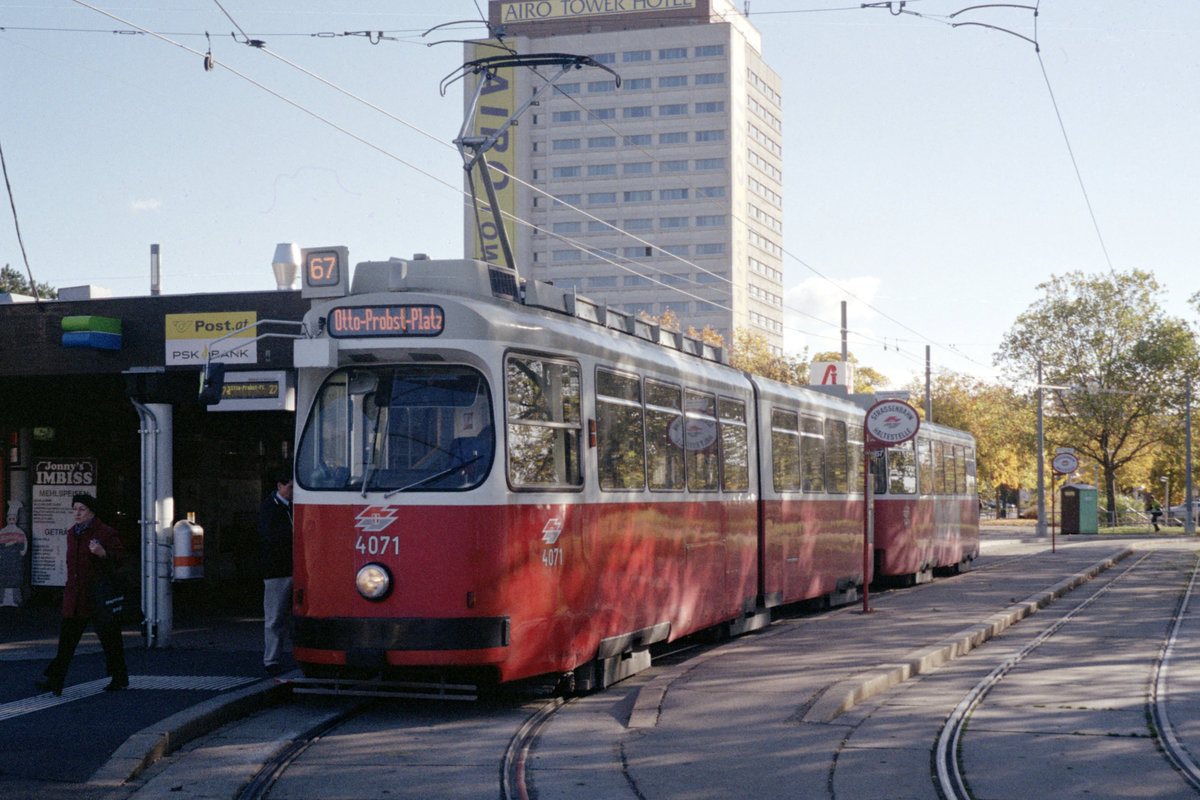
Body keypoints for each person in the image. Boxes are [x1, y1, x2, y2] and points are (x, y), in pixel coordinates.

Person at [38, 493, 128, 695]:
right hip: (75, 596)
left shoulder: (105, 532)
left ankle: (119, 677)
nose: (77, 513)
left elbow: (120, 558)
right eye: (75, 509)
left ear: (91, 512)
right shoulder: (72, 533)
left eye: (82, 509)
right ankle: (56, 680)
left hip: (98, 595)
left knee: (110, 638)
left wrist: (103, 554)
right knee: (67, 641)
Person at [259, 467, 293, 676]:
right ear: (279, 486)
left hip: (287, 568)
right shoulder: (270, 508)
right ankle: (271, 660)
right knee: (275, 617)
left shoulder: (287, 507)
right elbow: (268, 537)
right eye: (290, 487)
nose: (293, 491)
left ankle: (275, 659)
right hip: (277, 569)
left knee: (278, 616)